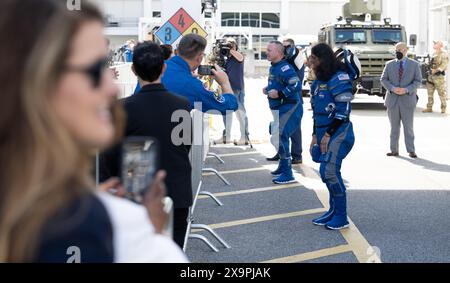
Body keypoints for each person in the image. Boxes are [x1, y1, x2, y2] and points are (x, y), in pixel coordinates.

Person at [0, 0, 186, 263]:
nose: (112, 87)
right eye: (96, 69)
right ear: (36, 81)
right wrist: (149, 236)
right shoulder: (112, 228)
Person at [100, 41, 193, 248]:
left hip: (135, 193)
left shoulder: (122, 109)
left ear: (133, 70)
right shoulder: (182, 105)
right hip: (176, 190)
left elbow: (111, 156)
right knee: (173, 251)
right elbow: (185, 145)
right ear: (164, 67)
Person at [308, 43, 355, 230]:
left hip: (339, 132)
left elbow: (343, 111)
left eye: (314, 58)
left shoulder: (339, 79)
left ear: (322, 59)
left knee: (329, 172)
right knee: (326, 174)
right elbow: (316, 111)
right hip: (322, 131)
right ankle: (333, 211)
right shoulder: (317, 82)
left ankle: (341, 216)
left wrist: (328, 134)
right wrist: (314, 135)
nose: (310, 61)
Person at [162, 34, 238, 114]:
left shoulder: (158, 66)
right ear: (200, 57)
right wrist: (225, 83)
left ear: (177, 51)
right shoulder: (193, 86)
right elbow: (229, 106)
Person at [263, 41, 303, 184]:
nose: (266, 52)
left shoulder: (285, 67)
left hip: (290, 107)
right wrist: (268, 89)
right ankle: (282, 166)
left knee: (280, 136)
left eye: (269, 50)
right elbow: (279, 83)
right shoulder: (274, 67)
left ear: (279, 53)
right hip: (280, 108)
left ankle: (288, 174)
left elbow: (296, 84)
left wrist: (280, 94)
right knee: (277, 134)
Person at [381, 42, 422, 158]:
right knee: (394, 127)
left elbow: (418, 81)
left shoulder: (414, 65)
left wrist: (406, 89)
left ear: (406, 50)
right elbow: (383, 79)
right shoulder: (389, 65)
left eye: (401, 49)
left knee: (408, 127)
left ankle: (411, 150)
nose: (399, 51)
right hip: (392, 100)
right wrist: (393, 88)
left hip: (408, 100)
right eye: (397, 49)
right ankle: (394, 150)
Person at [214, 37, 250, 146]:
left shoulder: (239, 56)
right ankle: (226, 136)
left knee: (240, 114)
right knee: (225, 113)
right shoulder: (227, 59)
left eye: (230, 45)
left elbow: (239, 57)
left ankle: (244, 137)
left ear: (235, 46)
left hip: (237, 89)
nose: (228, 48)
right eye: (227, 46)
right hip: (227, 88)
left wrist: (231, 49)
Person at [424, 40, 448, 114]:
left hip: (439, 77)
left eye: (436, 43)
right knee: (430, 93)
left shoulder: (444, 54)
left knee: (441, 93)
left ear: (440, 45)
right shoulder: (433, 53)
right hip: (430, 77)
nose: (434, 44)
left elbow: (444, 65)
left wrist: (436, 70)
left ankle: (443, 108)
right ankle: (429, 107)